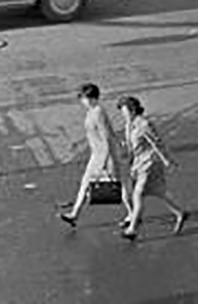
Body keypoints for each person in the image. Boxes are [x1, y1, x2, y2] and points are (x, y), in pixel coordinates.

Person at [117, 95, 187, 240]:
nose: (123, 115)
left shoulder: (144, 124)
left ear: (133, 110)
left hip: (150, 163)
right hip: (138, 164)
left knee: (138, 194)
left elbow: (157, 143)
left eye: (125, 112)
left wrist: (167, 160)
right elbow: (131, 146)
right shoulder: (129, 125)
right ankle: (180, 213)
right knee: (158, 192)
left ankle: (132, 229)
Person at [60, 83, 125, 228]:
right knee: (85, 183)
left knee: (118, 186)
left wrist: (104, 162)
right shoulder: (91, 111)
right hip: (96, 154)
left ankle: (133, 214)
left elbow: (106, 136)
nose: (83, 101)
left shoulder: (98, 112)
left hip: (103, 155)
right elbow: (107, 131)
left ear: (93, 98)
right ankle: (74, 214)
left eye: (85, 98)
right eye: (82, 98)